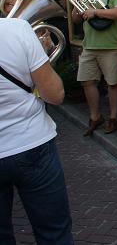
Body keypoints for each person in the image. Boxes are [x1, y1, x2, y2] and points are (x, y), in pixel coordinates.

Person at [0, 18, 73, 244]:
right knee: (54, 233)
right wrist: (39, 58)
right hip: (32, 143)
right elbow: (55, 95)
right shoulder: (17, 29)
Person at [72, 0, 117, 136]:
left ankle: (113, 118)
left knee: (112, 83)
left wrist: (95, 12)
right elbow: (75, 20)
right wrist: (76, 3)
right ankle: (95, 117)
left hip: (111, 46)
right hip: (89, 46)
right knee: (86, 81)